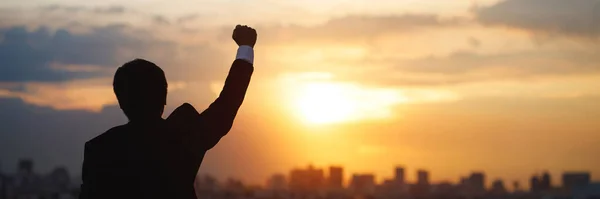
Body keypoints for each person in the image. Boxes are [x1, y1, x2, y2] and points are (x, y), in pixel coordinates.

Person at [79, 25, 257, 199]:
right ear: (164, 98)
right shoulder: (183, 137)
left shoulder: (99, 149)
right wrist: (245, 47)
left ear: (121, 103)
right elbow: (227, 105)